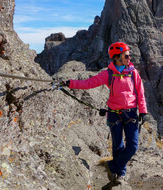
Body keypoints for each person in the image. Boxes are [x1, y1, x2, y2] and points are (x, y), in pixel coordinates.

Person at [62, 42, 147, 183]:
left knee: (132, 146)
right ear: (116, 57)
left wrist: (143, 110)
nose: (129, 58)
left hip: (131, 113)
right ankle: (120, 174)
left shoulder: (133, 72)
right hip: (114, 113)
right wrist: (70, 83)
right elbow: (89, 83)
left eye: (129, 55)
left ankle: (112, 166)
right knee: (117, 146)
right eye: (126, 55)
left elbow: (140, 92)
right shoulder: (108, 74)